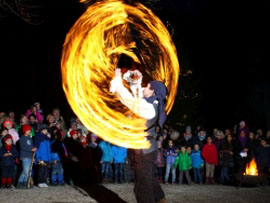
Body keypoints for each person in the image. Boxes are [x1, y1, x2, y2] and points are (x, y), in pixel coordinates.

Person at [110, 68, 166, 203]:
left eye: (147, 87)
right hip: (144, 149)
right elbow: (137, 94)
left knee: (142, 186)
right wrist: (136, 79)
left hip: (144, 151)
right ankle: (161, 200)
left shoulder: (149, 107)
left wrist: (118, 80)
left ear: (153, 92)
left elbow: (130, 100)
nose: (144, 88)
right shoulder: (151, 102)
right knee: (149, 180)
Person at [17, 125, 37, 189]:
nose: (29, 131)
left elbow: (31, 147)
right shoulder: (22, 138)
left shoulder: (30, 139)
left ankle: (22, 182)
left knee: (26, 171)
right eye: (28, 130)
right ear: (24, 131)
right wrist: (30, 149)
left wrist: (33, 156)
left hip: (29, 156)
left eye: (30, 130)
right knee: (26, 171)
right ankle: (23, 182)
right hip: (24, 156)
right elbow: (22, 147)